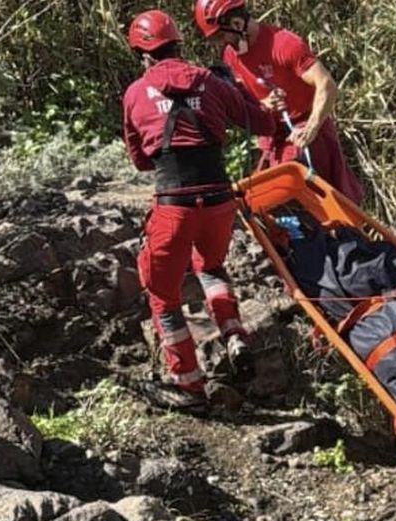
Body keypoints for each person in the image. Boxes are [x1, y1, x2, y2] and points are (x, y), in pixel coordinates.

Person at [121, 9, 274, 404]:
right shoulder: (210, 81)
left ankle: (188, 383)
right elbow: (262, 124)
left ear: (142, 53)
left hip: (174, 205)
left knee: (163, 296)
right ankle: (235, 335)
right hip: (220, 202)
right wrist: (238, 91)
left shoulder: (136, 93)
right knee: (212, 268)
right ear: (177, 44)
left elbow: (140, 161)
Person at [193, 0, 365, 204]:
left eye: (221, 36)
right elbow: (245, 102)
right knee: (262, 201)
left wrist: (310, 129)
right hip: (272, 137)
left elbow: (326, 85)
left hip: (305, 133)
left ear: (237, 24)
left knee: (311, 200)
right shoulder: (231, 56)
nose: (221, 43)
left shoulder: (284, 44)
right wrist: (264, 105)